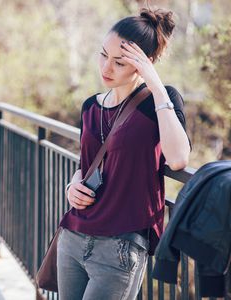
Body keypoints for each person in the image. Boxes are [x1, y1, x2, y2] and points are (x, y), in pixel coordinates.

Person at [57, 7, 191, 300]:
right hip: (74, 235)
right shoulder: (90, 106)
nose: (106, 68)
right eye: (103, 55)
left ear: (146, 62)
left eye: (119, 62)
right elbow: (87, 163)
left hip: (120, 246)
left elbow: (179, 158)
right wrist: (73, 185)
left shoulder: (160, 101)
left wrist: (155, 84)